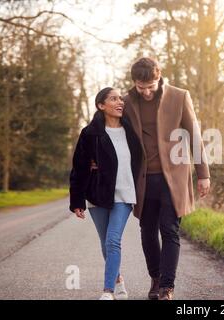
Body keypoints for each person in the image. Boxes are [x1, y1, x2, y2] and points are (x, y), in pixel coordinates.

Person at [122, 57, 211, 300]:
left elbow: (194, 135)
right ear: (134, 83)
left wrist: (203, 174)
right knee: (147, 230)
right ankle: (156, 278)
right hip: (142, 179)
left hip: (174, 178)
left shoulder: (179, 96)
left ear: (159, 77)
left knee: (169, 229)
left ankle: (167, 288)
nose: (147, 92)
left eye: (151, 86)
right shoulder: (127, 102)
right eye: (142, 88)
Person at [69, 87, 142, 300]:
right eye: (113, 99)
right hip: (98, 194)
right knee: (105, 242)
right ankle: (118, 281)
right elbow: (79, 168)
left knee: (112, 240)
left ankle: (107, 291)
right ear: (101, 105)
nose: (120, 102)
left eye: (121, 98)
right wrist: (77, 200)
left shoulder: (131, 131)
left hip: (125, 194)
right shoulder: (90, 133)